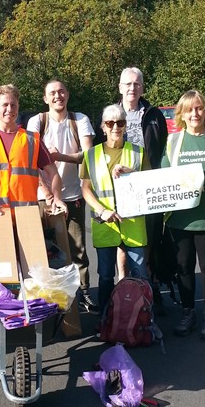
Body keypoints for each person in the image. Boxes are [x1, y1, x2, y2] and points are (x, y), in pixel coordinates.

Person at [26, 80, 98, 314]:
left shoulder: (80, 120)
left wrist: (59, 156)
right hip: (42, 197)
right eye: (52, 93)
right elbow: (30, 160)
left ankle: (83, 294)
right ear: (45, 98)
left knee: (78, 249)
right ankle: (52, 298)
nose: (58, 96)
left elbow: (88, 156)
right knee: (48, 250)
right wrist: (46, 192)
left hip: (73, 194)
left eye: (61, 91)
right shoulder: (37, 121)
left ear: (68, 94)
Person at [160, 90, 205, 340]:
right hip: (179, 219)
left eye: (199, 108)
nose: (195, 113)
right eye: (189, 109)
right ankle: (188, 312)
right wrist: (130, 173)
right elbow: (162, 175)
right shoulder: (174, 141)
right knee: (184, 267)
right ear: (182, 114)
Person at [81, 104, 149, 316]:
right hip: (105, 225)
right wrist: (101, 210)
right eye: (110, 123)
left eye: (120, 122)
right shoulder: (91, 155)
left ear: (125, 125)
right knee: (105, 276)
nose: (115, 127)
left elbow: (149, 184)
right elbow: (86, 189)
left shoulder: (138, 152)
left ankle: (142, 319)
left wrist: (131, 172)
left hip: (133, 224)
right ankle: (106, 319)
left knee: (139, 274)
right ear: (103, 126)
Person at [0, 84, 66, 222]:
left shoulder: (32, 139)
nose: (9, 109)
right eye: (4, 105)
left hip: (26, 215)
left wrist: (57, 198)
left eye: (13, 105)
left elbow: (53, 173)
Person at [117, 66, 169, 307]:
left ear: (142, 88)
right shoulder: (111, 114)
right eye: (128, 84)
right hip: (119, 187)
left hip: (149, 186)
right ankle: (122, 285)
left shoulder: (154, 115)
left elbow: (163, 150)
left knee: (149, 237)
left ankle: (148, 284)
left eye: (136, 84)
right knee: (123, 238)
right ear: (120, 88)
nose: (132, 88)